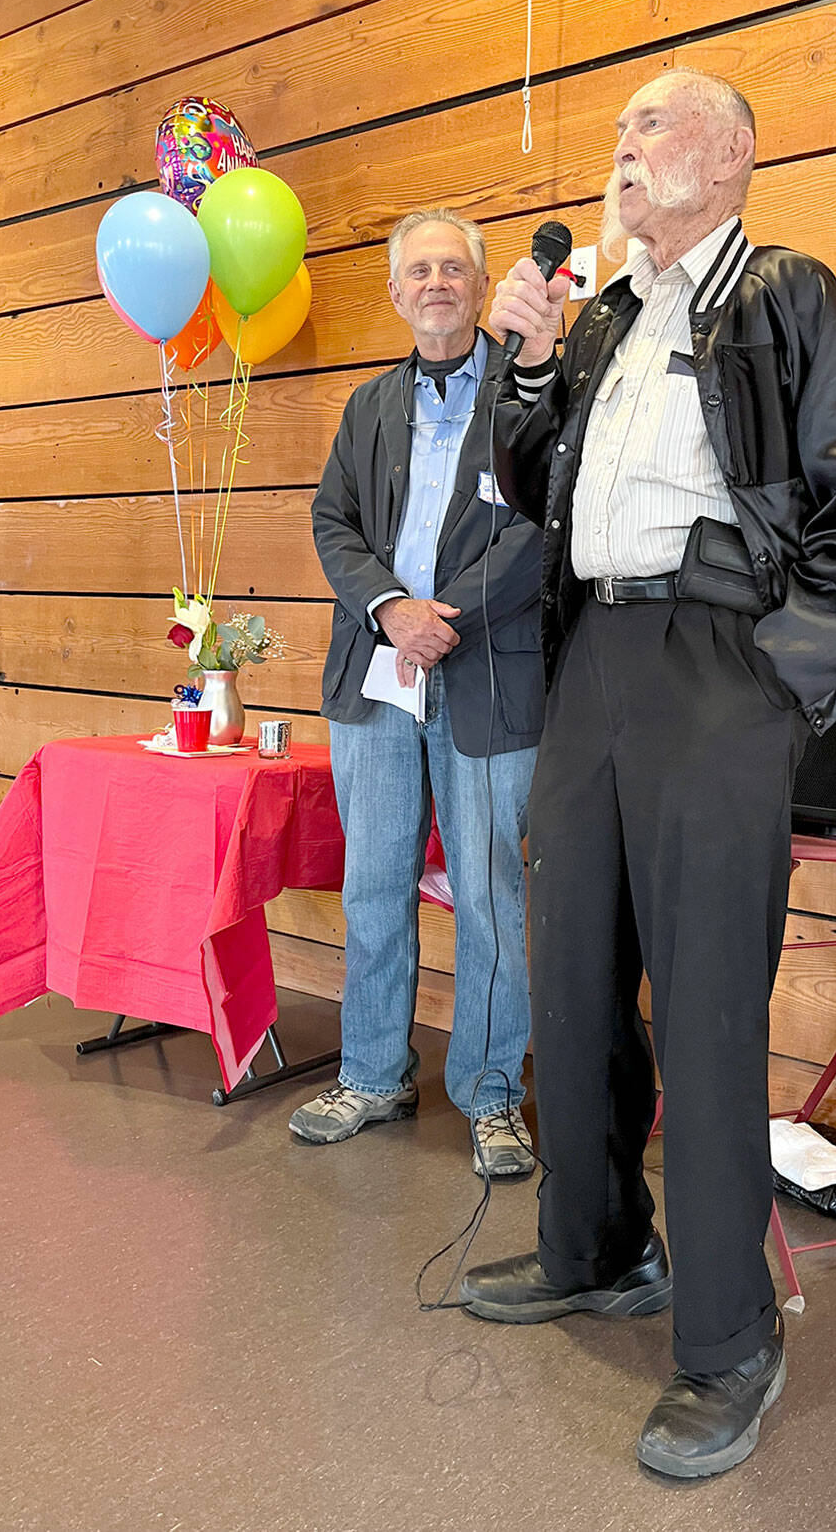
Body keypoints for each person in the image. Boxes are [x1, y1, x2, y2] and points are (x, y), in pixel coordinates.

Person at [459, 70, 836, 1475]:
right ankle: (597, 1246)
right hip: (591, 664)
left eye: (651, 128)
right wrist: (530, 366)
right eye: (617, 134)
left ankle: (733, 1338)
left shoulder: (786, 294)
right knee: (574, 979)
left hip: (717, 668)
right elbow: (526, 479)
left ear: (731, 152)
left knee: (710, 1009)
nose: (622, 151)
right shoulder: (601, 316)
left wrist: (768, 687)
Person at [292, 208, 544, 1180]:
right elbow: (333, 520)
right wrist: (393, 608)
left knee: (487, 894)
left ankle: (488, 1098)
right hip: (376, 675)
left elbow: (539, 529)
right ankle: (371, 1073)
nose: (435, 283)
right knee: (373, 888)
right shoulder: (367, 408)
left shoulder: (527, 398)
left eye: (452, 269)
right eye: (418, 272)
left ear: (479, 289)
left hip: (488, 678)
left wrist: (452, 617)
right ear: (396, 294)